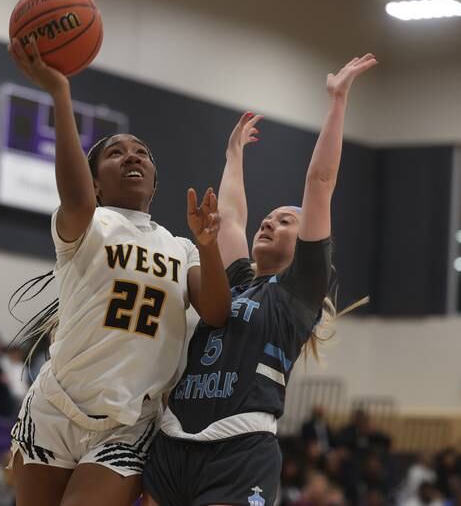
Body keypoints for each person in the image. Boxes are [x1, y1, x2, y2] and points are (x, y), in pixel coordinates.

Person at [142, 54, 377, 506]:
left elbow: (320, 181)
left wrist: (338, 100)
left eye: (286, 221)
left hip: (240, 452)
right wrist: (234, 155)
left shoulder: (298, 291)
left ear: (306, 240)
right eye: (267, 219)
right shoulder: (235, 281)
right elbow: (230, 218)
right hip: (172, 443)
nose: (268, 222)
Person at [6, 40, 232, 506]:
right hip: (55, 407)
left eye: (141, 152)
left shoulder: (181, 247)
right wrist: (61, 94)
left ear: (154, 179)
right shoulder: (87, 224)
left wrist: (209, 249)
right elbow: (73, 195)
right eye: (115, 154)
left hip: (128, 425)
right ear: (93, 182)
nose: (131, 156)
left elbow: (216, 311)